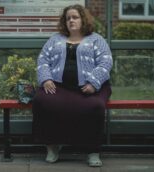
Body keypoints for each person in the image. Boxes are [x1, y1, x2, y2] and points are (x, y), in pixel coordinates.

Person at [32, 4, 112, 167]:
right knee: (42, 101)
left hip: (88, 87)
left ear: (83, 19)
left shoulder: (97, 39)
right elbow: (43, 60)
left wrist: (94, 83)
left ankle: (92, 151)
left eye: (75, 17)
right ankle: (52, 146)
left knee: (95, 106)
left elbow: (106, 62)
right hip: (59, 86)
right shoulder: (55, 39)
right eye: (68, 18)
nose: (71, 20)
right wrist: (46, 79)